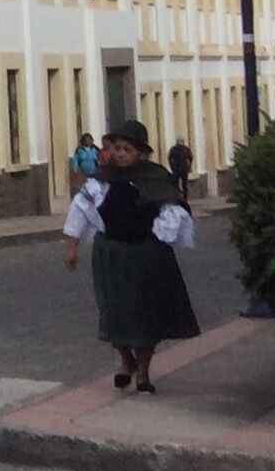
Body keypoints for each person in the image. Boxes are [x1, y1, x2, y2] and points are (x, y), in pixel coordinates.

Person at [63, 119, 200, 392]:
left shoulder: (156, 178)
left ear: (140, 152)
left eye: (127, 149)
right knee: (114, 312)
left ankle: (144, 374)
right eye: (117, 148)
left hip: (146, 255)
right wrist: (72, 247)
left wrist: (163, 236)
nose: (120, 154)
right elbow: (79, 211)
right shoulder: (101, 181)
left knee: (145, 314)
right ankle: (126, 361)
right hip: (111, 253)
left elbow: (174, 213)